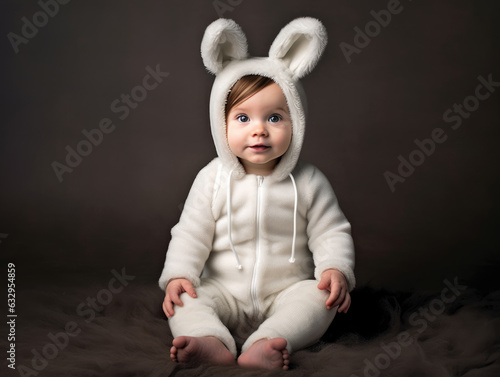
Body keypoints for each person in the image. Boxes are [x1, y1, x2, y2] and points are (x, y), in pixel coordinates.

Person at [158, 17, 355, 370]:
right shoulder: (212, 179)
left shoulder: (309, 181)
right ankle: (208, 338)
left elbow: (331, 231)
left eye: (275, 118)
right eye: (243, 118)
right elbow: (190, 232)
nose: (259, 131)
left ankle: (269, 341)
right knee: (186, 298)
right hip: (224, 292)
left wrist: (335, 268)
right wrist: (178, 275)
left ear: (297, 121)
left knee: (319, 297)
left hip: (286, 292)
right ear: (222, 124)